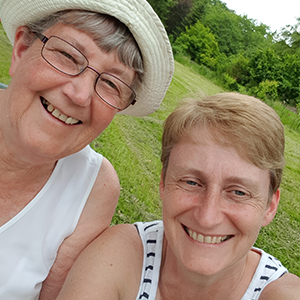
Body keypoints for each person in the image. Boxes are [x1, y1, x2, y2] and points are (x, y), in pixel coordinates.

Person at [0, 0, 174, 299]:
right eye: (67, 55)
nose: (80, 95)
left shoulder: (94, 188)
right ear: (20, 50)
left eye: (111, 84)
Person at [56, 92, 300, 300]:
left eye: (238, 192)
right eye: (192, 182)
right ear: (163, 182)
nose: (207, 217)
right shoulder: (120, 256)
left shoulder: (281, 293)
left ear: (270, 206)